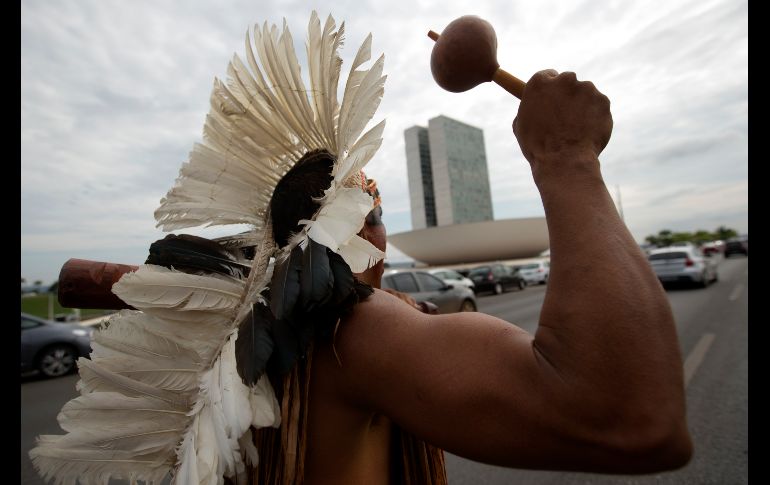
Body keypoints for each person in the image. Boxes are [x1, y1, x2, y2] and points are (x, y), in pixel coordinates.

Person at [30, 14, 691, 485]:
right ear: (348, 229)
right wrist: (567, 158)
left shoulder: (236, 335)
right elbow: (633, 418)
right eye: (371, 211)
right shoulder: (356, 334)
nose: (380, 230)